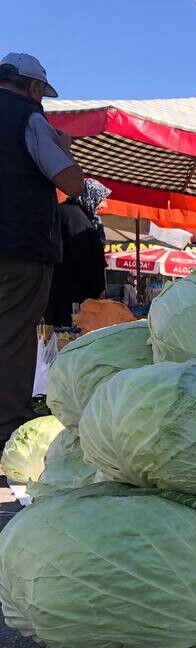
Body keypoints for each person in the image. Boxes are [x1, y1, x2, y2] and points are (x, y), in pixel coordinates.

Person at [0, 52, 84, 446]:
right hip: (20, 246)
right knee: (13, 338)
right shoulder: (29, 117)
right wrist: (63, 146)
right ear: (34, 88)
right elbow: (72, 184)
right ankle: (7, 430)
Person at [47, 177, 109, 326]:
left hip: (54, 295)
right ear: (89, 195)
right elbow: (87, 260)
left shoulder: (65, 212)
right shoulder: (76, 219)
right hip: (72, 301)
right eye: (101, 198)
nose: (104, 205)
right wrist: (98, 289)